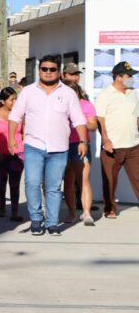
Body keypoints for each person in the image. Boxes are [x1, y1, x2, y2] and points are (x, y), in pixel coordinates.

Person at [8, 55, 87, 236]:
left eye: (52, 69)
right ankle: (36, 219)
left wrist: (83, 141)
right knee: (32, 183)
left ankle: (52, 223)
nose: (48, 72)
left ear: (59, 72)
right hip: (33, 146)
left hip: (59, 148)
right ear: (39, 70)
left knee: (53, 187)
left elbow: (78, 119)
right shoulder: (28, 91)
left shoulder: (67, 93)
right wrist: (12, 139)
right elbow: (15, 116)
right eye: (45, 69)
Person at [96, 61, 139, 219]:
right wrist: (106, 140)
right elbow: (100, 119)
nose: (132, 79)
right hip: (113, 146)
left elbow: (137, 116)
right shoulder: (105, 94)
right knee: (110, 180)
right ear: (119, 77)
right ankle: (110, 209)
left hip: (134, 145)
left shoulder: (133, 93)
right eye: (129, 76)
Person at [62, 81, 97, 225]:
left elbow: (93, 125)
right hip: (62, 145)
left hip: (80, 145)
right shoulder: (58, 105)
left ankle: (87, 213)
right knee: (68, 181)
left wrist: (80, 123)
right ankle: (72, 213)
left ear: (77, 92)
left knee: (83, 179)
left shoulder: (85, 104)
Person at [0, 87, 25, 222]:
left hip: (17, 154)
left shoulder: (21, 115)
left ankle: (15, 211)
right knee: (1, 181)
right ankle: (2, 207)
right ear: (3, 101)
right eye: (12, 99)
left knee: (15, 183)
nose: (15, 102)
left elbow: (24, 133)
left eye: (16, 99)